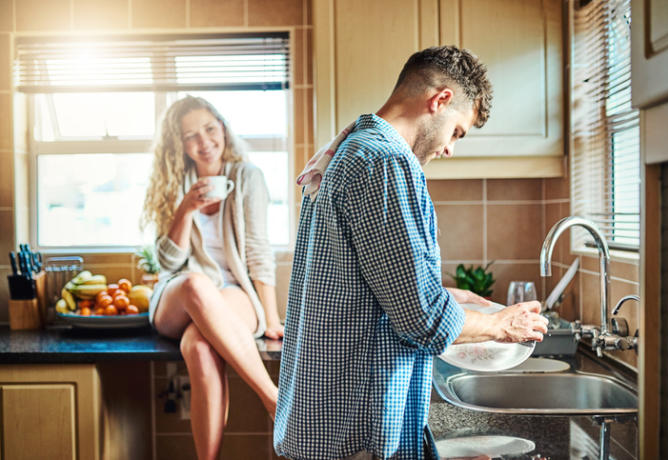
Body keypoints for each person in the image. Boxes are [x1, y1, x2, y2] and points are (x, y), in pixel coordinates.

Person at [274, 46, 549, 460]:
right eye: (457, 131)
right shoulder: (384, 162)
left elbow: (369, 289)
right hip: (355, 429)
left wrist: (458, 298)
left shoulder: (352, 149)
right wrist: (503, 326)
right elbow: (422, 319)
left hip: (331, 420)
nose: (450, 149)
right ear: (439, 100)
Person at [141, 96, 283, 460]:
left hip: (233, 292)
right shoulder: (174, 183)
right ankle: (273, 398)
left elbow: (257, 251)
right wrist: (185, 209)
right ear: (181, 145)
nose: (203, 141)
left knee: (200, 348)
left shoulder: (247, 177)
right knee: (193, 283)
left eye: (209, 128)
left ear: (223, 127)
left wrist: (271, 317)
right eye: (191, 136)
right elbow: (167, 262)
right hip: (178, 297)